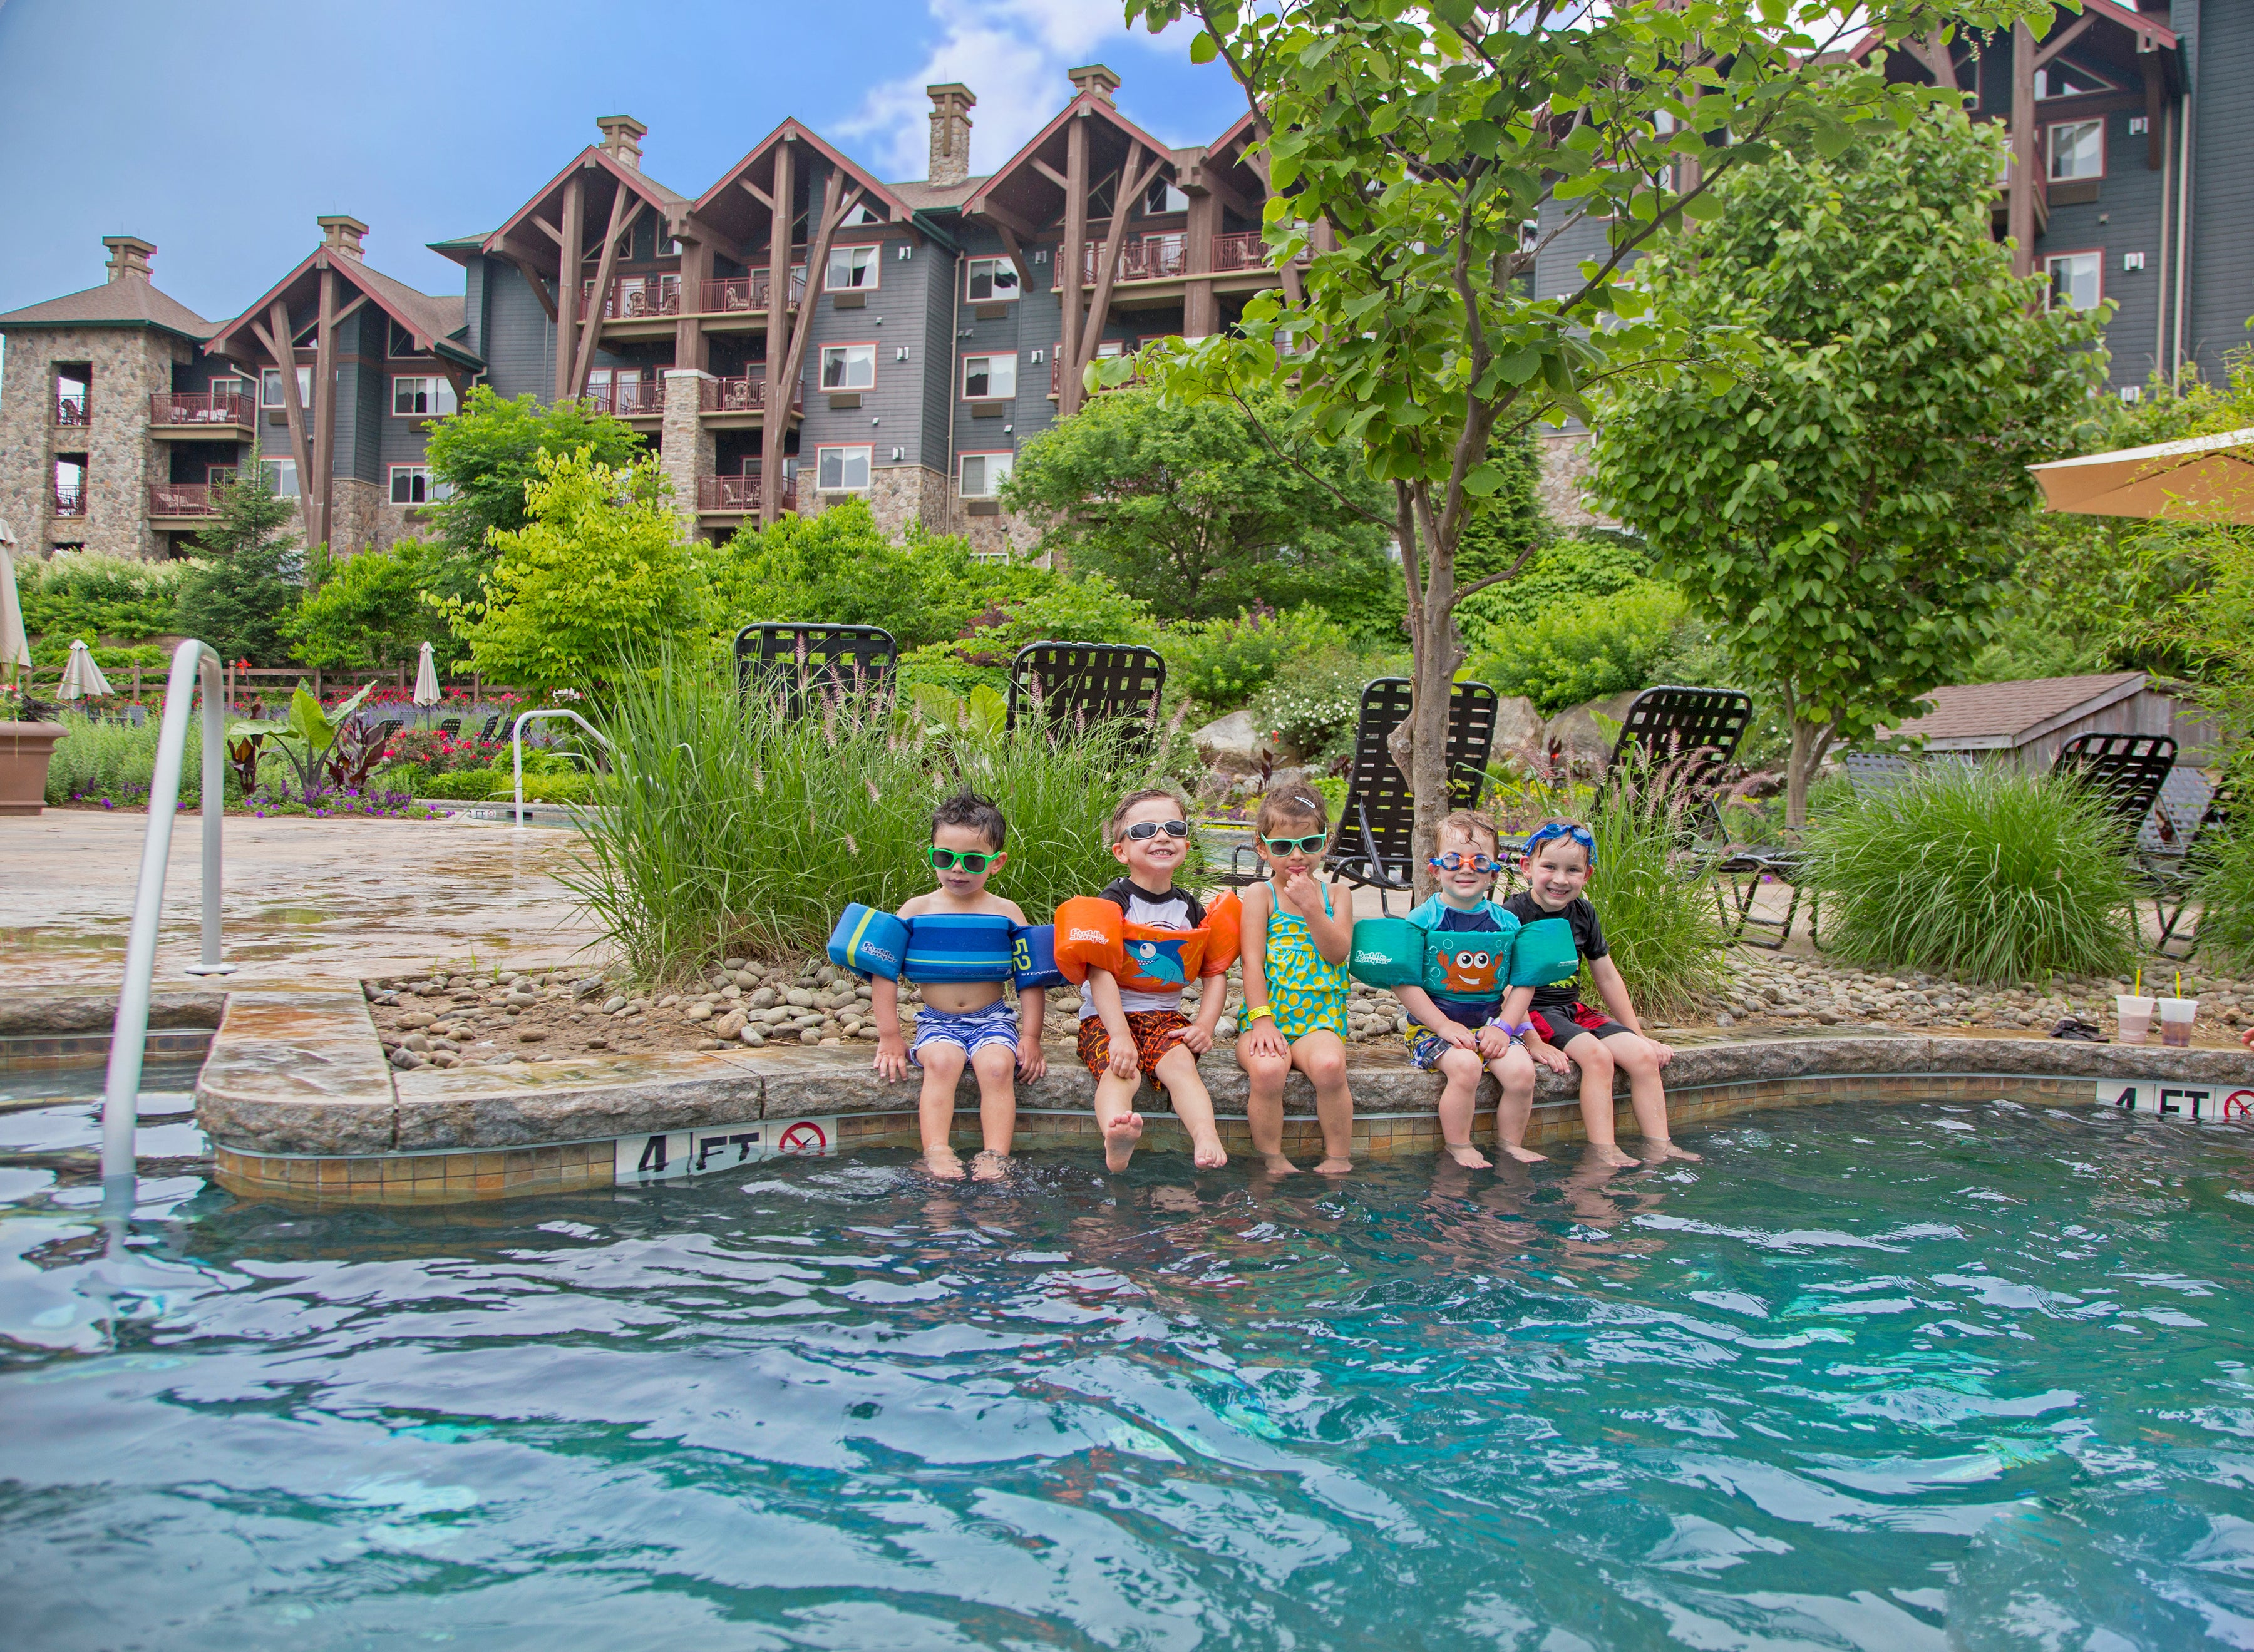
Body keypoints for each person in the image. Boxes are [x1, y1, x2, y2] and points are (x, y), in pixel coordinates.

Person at [1496, 819, 1699, 1168]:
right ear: (1527, 867)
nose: (1561, 879)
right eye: (1550, 867)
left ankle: (1659, 1145)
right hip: (1535, 1012)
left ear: (1587, 875)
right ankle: (1603, 1151)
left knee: (1643, 1057)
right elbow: (1503, 986)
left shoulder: (1584, 913)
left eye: (1573, 870)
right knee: (1598, 1058)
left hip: (1572, 1008)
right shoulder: (1512, 915)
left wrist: (1637, 1034)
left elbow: (1606, 976)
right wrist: (1532, 1041)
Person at [872, 789, 1046, 1181]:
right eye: (944, 857)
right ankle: (937, 1151)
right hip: (938, 1019)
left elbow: (1030, 981)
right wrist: (889, 1035)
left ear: (996, 863)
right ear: (932, 854)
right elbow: (883, 974)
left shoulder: (1005, 912)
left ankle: (994, 1156)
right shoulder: (916, 910)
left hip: (993, 1017)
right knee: (941, 1062)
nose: (957, 869)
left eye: (972, 860)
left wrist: (1031, 1038)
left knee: (999, 1066)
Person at [1076, 789, 1232, 1173]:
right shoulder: (1114, 900)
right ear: (1121, 851)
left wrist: (1205, 1026)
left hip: (1163, 1017)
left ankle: (1205, 1135)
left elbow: (1215, 973)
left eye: (1173, 828)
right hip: (1107, 1018)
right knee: (1119, 1072)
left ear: (1185, 844)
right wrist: (1120, 1037)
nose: (1162, 837)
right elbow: (1099, 971)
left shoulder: (1189, 908)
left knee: (1181, 1066)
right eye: (1145, 829)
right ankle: (1117, 1135)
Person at [1393, 809, 1547, 1167]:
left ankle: (1510, 1144)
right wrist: (1443, 1026)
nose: (1466, 868)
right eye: (1453, 859)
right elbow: (1403, 981)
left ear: (1494, 873)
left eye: (1479, 861)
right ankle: (1459, 1145)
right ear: (1435, 870)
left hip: (1492, 1025)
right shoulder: (1422, 919)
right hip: (1432, 1028)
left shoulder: (1506, 922)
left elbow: (1524, 983)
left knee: (1523, 1074)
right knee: (1465, 1067)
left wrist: (1507, 1027)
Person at [1235, 784, 1357, 1175]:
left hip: (1319, 1020)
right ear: (1263, 847)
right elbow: (1251, 964)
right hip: (1270, 1017)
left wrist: (1311, 907)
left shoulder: (1337, 894)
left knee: (1328, 1067)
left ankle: (1338, 1157)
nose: (1298, 856)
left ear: (1326, 842)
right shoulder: (1260, 895)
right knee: (1269, 1071)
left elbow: (1337, 953)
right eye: (1284, 846)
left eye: (1310, 843)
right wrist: (1262, 1020)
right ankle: (1272, 1159)